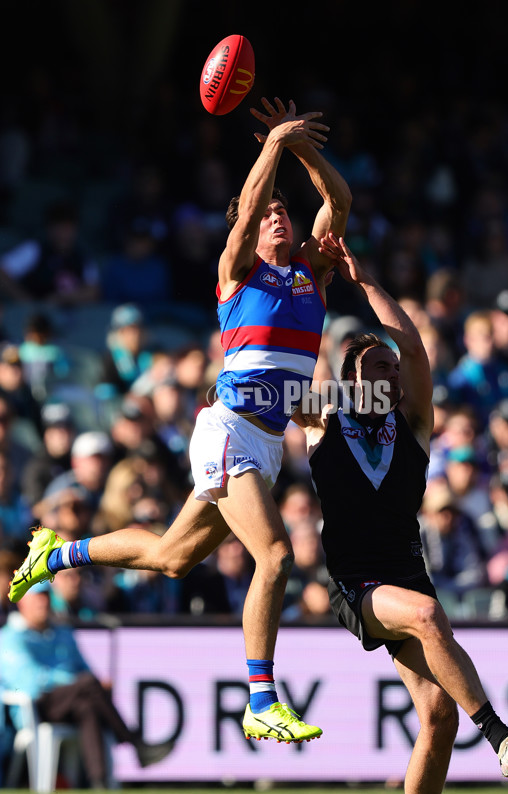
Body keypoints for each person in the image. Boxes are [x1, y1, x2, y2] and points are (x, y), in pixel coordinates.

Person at [9, 97, 352, 744]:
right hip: (229, 431)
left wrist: (300, 147)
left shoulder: (311, 274)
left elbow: (340, 200)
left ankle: (58, 552)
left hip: (266, 444)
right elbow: (248, 206)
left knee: (171, 558)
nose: (279, 217)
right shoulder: (237, 273)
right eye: (269, 214)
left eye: (286, 212)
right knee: (275, 557)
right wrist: (272, 144)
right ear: (249, 236)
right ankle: (261, 697)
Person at [294, 234, 508, 787]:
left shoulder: (414, 425)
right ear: (351, 380)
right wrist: (310, 290)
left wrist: (366, 282)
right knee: (430, 617)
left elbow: (414, 348)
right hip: (357, 583)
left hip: (408, 575)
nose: (393, 374)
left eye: (392, 367)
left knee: (438, 716)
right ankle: (501, 736)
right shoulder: (322, 420)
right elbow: (284, 377)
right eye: (379, 368)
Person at [0, 581, 174, 788]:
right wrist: (77, 681)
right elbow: (30, 681)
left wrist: (91, 683)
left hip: (71, 700)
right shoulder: (10, 638)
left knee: (88, 706)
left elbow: (84, 667)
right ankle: (134, 742)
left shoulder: (63, 633)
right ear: (22, 602)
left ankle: (99, 782)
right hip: (36, 707)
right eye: (37, 597)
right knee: (88, 685)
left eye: (46, 596)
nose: (43, 603)